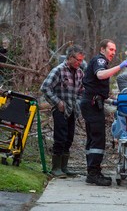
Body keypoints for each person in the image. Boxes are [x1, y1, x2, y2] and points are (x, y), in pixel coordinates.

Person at [80, 39, 127, 186]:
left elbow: (96, 89)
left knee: (93, 138)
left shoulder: (101, 61)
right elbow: (101, 75)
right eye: (111, 49)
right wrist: (120, 66)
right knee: (98, 139)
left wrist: (113, 102)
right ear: (102, 49)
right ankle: (94, 174)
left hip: (93, 103)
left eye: (115, 50)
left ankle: (92, 171)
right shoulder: (100, 60)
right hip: (91, 105)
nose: (113, 53)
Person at [40, 44, 85, 178]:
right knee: (60, 137)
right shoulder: (59, 70)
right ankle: (56, 167)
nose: (79, 63)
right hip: (60, 110)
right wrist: (57, 102)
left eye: (81, 60)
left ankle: (64, 167)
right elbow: (45, 87)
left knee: (69, 138)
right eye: (77, 60)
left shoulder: (80, 73)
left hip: (73, 110)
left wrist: (78, 103)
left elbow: (82, 91)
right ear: (70, 57)